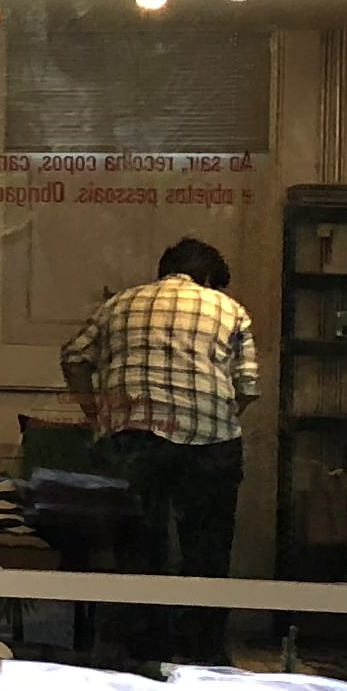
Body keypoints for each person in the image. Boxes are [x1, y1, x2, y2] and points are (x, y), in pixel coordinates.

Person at [64, 238, 259, 607]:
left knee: (138, 551)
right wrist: (215, 419)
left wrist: (98, 415)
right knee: (207, 551)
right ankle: (203, 649)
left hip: (132, 436)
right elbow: (247, 386)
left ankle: (145, 649)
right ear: (208, 278)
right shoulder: (229, 308)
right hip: (210, 444)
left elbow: (74, 358)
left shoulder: (117, 304)